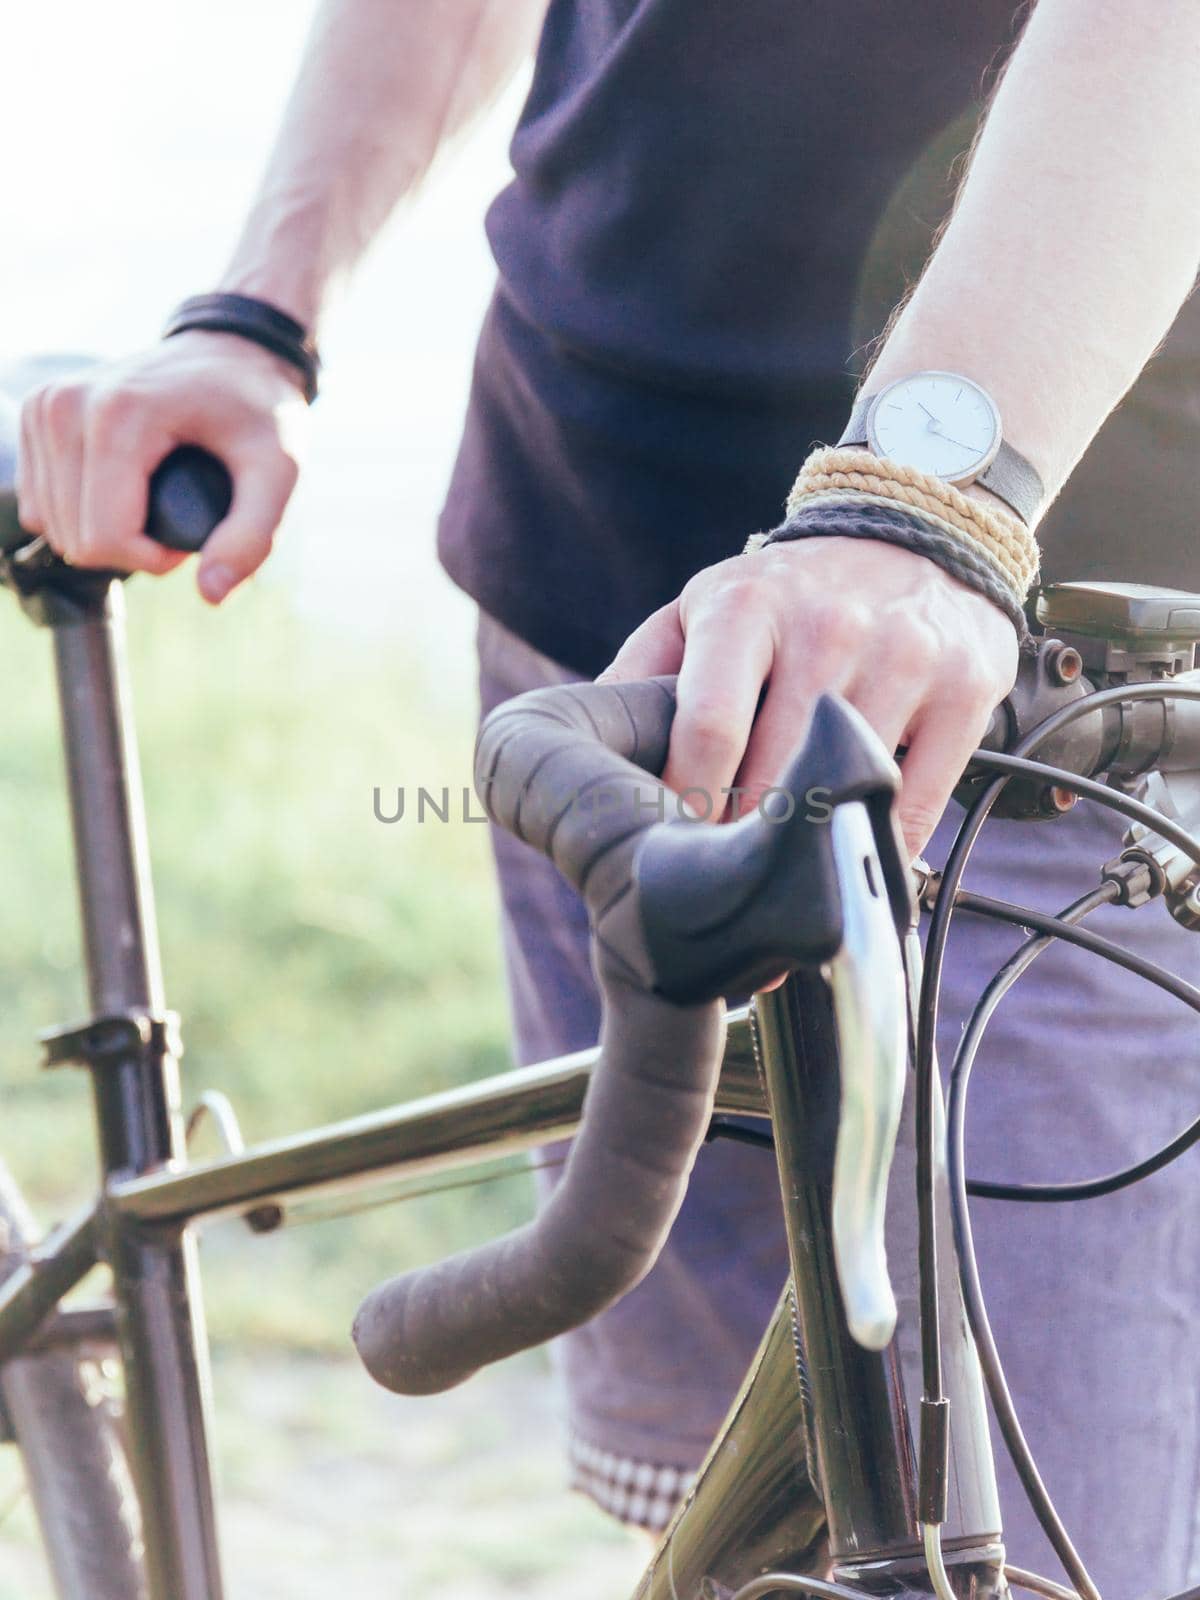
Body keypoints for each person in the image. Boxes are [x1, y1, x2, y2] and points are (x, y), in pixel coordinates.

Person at [16, 2, 1200, 1590]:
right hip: (599, 635)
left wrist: (930, 501)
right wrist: (254, 310)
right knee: (732, 1519)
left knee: (1043, 1550)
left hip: (1023, 714)